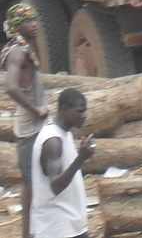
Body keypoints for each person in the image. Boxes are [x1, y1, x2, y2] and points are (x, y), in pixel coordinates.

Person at [1, 3, 49, 238]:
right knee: (34, 183)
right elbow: (10, 87)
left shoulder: (24, 47)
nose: (35, 25)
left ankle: (27, 233)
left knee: (32, 183)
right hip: (29, 129)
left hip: (34, 127)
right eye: (29, 22)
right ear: (18, 26)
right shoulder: (18, 52)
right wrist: (36, 110)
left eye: (35, 20)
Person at [30, 88, 95, 238]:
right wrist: (81, 158)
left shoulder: (64, 135)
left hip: (70, 226)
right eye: (80, 111)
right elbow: (55, 186)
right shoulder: (53, 141)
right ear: (64, 109)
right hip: (57, 228)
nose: (84, 116)